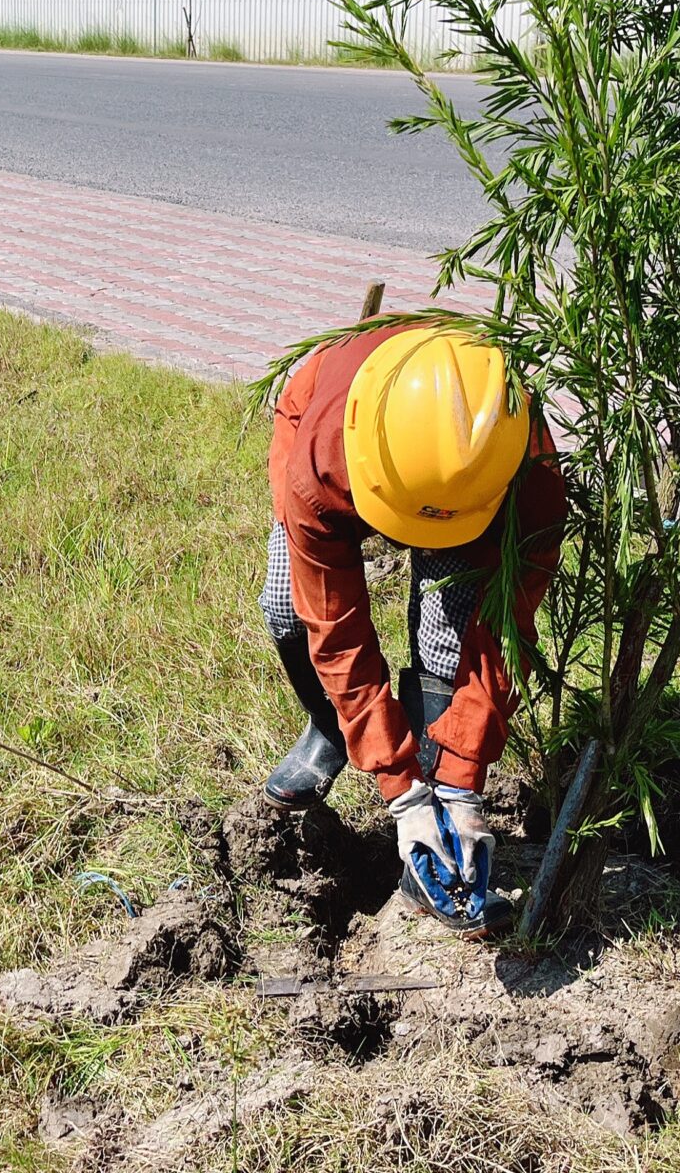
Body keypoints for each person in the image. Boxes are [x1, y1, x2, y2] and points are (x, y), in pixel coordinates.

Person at [259, 325, 566, 937]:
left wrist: (461, 778)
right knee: (285, 609)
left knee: (447, 637)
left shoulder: (522, 459)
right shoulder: (317, 463)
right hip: (336, 449)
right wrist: (399, 790)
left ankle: (434, 836)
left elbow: (507, 629)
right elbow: (337, 627)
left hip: (471, 491)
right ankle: (332, 730)